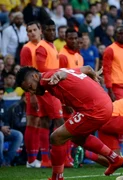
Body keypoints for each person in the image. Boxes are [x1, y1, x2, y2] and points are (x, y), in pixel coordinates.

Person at [16, 66, 123, 180]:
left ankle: (57, 177)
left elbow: (63, 74)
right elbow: (87, 68)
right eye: (28, 91)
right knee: (77, 138)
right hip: (104, 104)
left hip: (94, 109)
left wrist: (59, 75)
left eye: (30, 87)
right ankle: (115, 159)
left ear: (35, 76)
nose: (32, 91)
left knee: (56, 137)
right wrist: (93, 76)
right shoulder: (52, 74)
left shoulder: (48, 78)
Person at [34, 19, 65, 168]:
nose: (52, 32)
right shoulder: (42, 47)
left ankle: (46, 159)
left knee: (45, 122)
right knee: (60, 122)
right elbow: (41, 69)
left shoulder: (52, 46)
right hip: (48, 88)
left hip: (50, 87)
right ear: (42, 31)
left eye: (54, 30)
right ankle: (59, 157)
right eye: (49, 30)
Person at [58, 28, 84, 167]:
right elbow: (59, 80)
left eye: (75, 38)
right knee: (66, 129)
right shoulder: (62, 55)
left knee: (73, 129)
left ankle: (71, 157)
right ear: (65, 39)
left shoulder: (79, 57)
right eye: (70, 38)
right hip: (67, 99)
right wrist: (65, 100)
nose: (73, 41)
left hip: (78, 99)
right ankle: (65, 157)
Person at [20, 21, 42, 168]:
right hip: (34, 90)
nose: (32, 33)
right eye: (29, 31)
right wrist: (32, 95)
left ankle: (38, 157)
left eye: (34, 30)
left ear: (40, 30)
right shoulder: (27, 49)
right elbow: (26, 74)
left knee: (41, 123)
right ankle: (31, 159)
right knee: (32, 122)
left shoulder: (45, 46)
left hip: (44, 89)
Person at [103, 25, 123, 101]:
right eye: (120, 33)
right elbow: (106, 71)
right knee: (120, 112)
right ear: (116, 35)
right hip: (117, 87)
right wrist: (110, 90)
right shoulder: (110, 49)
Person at [0, 87, 23, 167]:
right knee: (0, 135)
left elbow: (5, 119)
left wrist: (6, 128)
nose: (0, 96)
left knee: (18, 135)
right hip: (0, 131)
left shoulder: (2, 104)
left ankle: (7, 160)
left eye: (1, 94)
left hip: (2, 129)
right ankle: (1, 161)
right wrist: (1, 128)